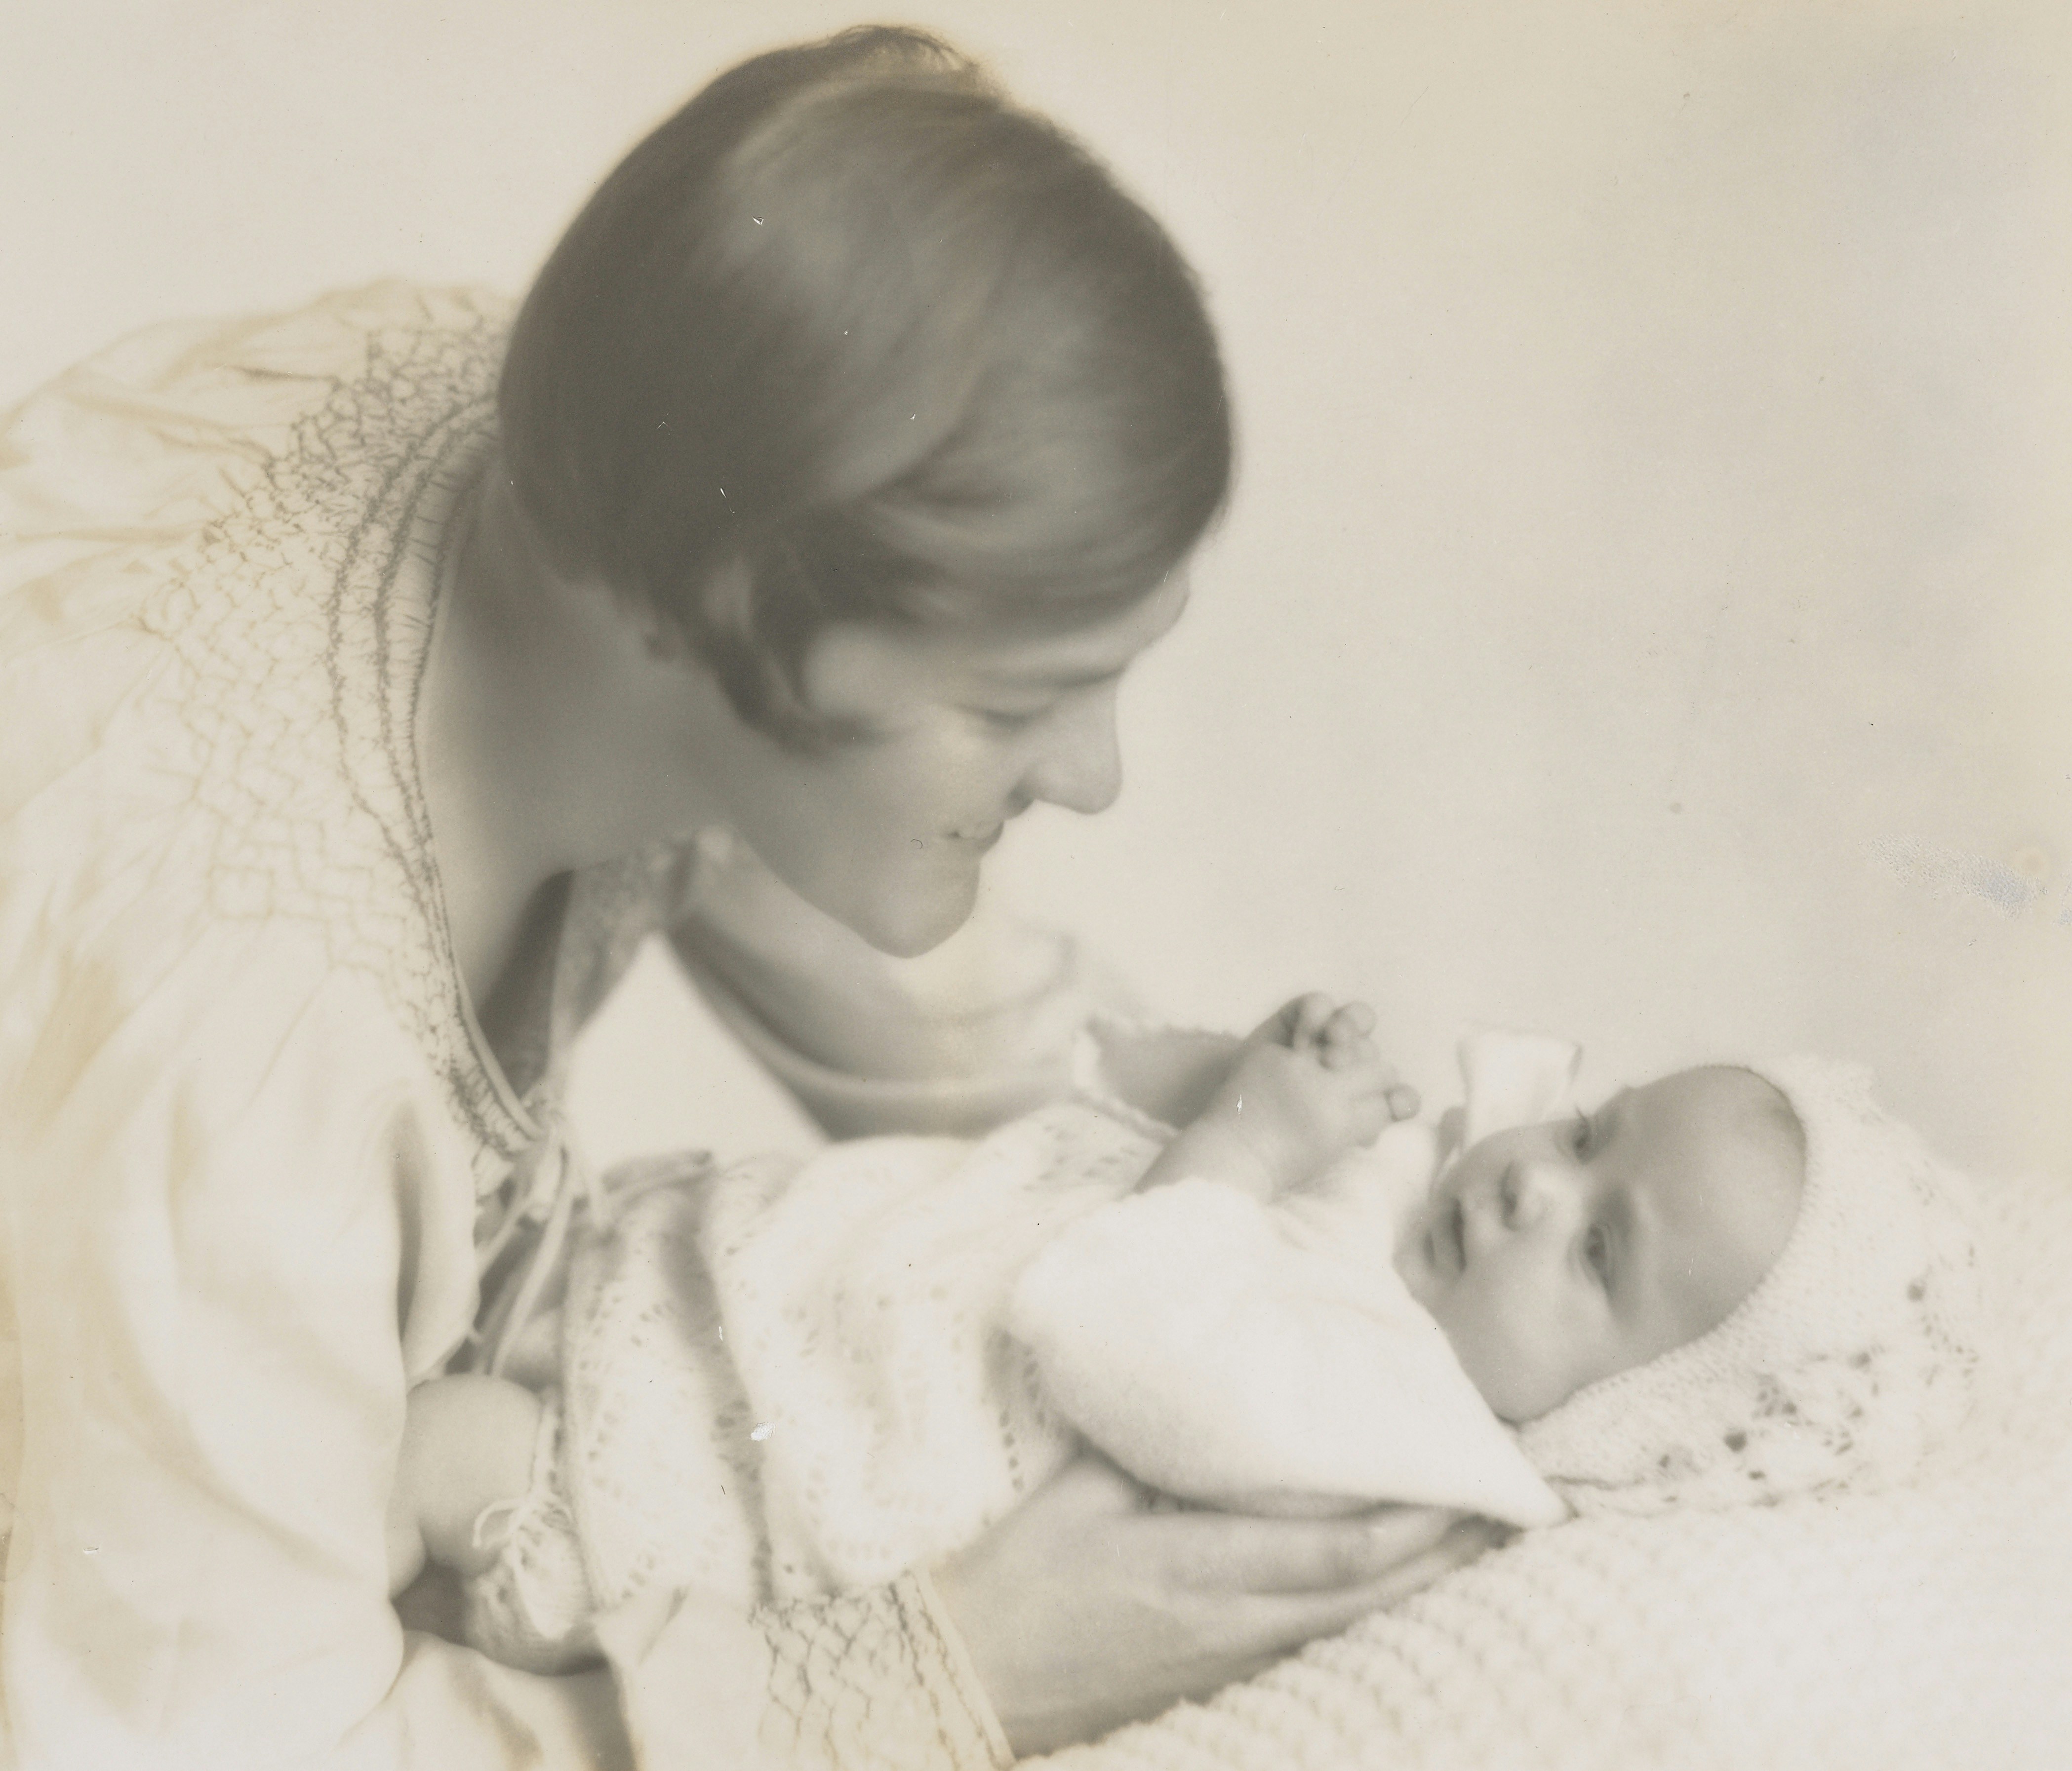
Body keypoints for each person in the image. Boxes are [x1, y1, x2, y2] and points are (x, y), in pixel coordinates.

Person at [0, 25, 1497, 1771]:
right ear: (720, 610)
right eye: (1017, 702)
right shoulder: (247, 1061)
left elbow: (957, 1029)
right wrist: (949, 1668)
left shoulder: (655, 490)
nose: (1096, 776)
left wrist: (1259, 1205)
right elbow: (205, 1738)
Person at [387, 1005, 1983, 1687]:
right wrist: (1263, 1066)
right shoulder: (1423, 1224)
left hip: (740, 1490)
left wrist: (1253, 1136)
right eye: (1586, 1130)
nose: (1528, 1185)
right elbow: (1106, 1104)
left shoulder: (1399, 1436)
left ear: (1621, 1419)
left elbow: (1129, 1320)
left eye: (1597, 1252)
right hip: (724, 1305)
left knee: (418, 1458)